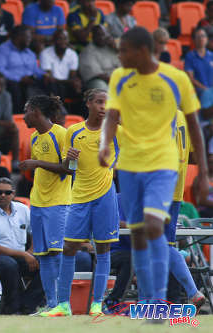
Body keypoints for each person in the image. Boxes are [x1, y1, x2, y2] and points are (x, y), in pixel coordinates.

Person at [98, 27, 208, 313]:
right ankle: (155, 299)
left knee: (154, 235)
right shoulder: (127, 83)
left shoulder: (169, 93)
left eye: (124, 51)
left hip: (161, 177)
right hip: (156, 176)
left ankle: (171, 295)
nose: (120, 57)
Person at [41, 89, 120, 317]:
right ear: (88, 104)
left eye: (107, 103)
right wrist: (69, 159)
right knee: (69, 248)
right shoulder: (73, 132)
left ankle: (97, 303)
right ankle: (63, 305)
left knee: (103, 248)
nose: (103, 107)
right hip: (79, 196)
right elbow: (67, 169)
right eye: (99, 102)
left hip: (105, 195)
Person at [19, 95, 72, 313]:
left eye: (25, 110)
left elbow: (71, 168)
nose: (23, 116)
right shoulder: (34, 138)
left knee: (57, 254)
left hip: (58, 203)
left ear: (36, 111)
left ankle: (63, 304)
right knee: (43, 256)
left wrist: (37, 163)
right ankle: (52, 305)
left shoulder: (62, 134)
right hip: (38, 203)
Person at [0, 177, 44, 314]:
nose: (3, 195)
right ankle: (12, 308)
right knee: (10, 265)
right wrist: (25, 254)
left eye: (7, 192)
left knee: (48, 263)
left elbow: (36, 231)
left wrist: (31, 251)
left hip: (20, 255)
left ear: (13, 194)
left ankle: (26, 305)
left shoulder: (23, 209)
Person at [164, 110, 206, 308]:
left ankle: (153, 300)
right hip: (175, 191)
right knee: (165, 245)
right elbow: (193, 156)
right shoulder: (181, 115)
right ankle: (192, 292)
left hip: (159, 189)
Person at [0, 25, 47, 114]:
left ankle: (50, 116)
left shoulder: (30, 53)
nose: (30, 39)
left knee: (50, 84)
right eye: (28, 37)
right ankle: (19, 116)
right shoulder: (2, 50)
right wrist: (19, 78)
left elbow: (35, 70)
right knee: (16, 87)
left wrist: (45, 75)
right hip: (13, 83)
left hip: (30, 82)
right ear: (18, 37)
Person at [39, 29, 82, 99]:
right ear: (54, 41)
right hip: (52, 85)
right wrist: (68, 81)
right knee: (54, 86)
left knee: (81, 88)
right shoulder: (45, 53)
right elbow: (49, 78)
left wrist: (75, 83)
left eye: (65, 39)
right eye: (59, 39)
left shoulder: (72, 54)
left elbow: (72, 76)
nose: (63, 41)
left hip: (67, 84)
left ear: (68, 40)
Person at [79, 25, 120, 90]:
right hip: (98, 81)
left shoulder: (112, 47)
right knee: (100, 86)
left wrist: (117, 49)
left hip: (116, 79)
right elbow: (98, 75)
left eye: (103, 35)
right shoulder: (88, 51)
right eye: (98, 35)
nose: (101, 38)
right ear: (93, 37)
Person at [184, 27, 213, 97]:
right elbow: (191, 78)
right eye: (198, 37)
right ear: (194, 40)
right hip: (199, 92)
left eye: (203, 36)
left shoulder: (211, 55)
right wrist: (205, 89)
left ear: (207, 39)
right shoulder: (190, 57)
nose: (201, 39)